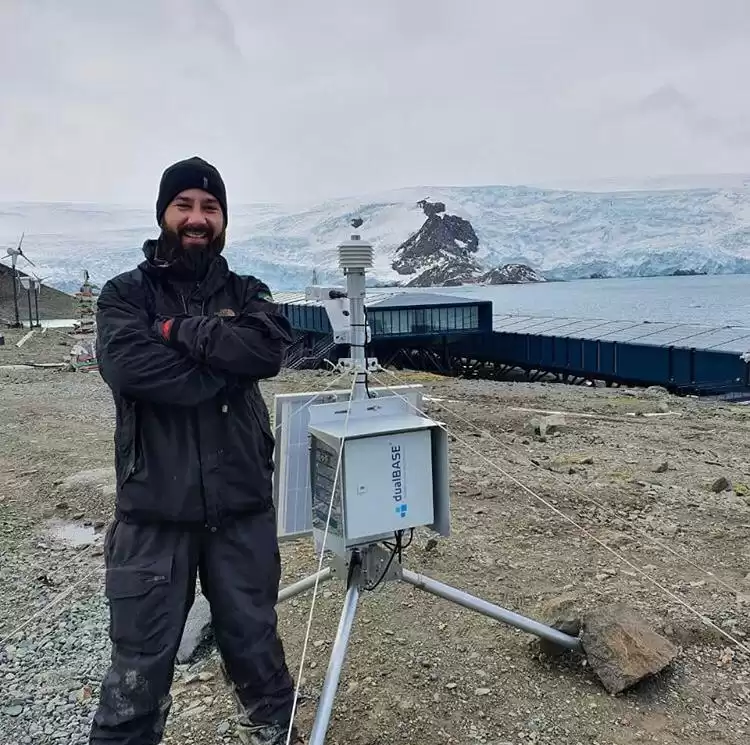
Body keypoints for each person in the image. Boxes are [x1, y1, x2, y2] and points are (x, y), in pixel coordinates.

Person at [89, 156, 301, 745]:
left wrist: (180, 332)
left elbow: (265, 354)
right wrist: (224, 366)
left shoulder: (248, 291)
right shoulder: (123, 295)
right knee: (139, 666)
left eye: (210, 208)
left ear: (224, 220)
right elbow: (131, 370)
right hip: (154, 514)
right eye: (185, 205)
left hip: (241, 509)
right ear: (164, 214)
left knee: (257, 644)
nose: (197, 218)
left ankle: (273, 732)